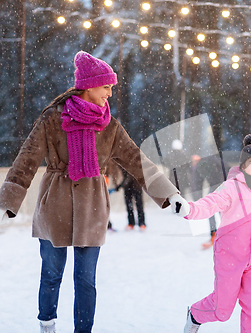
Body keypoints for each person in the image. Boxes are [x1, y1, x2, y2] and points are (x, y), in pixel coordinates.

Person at [0, 51, 188, 333]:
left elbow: (138, 161)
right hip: (55, 206)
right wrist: (7, 200)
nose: (110, 94)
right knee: (51, 274)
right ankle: (47, 325)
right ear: (89, 86)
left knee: (86, 279)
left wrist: (168, 194)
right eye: (106, 87)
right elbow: (26, 159)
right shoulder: (53, 119)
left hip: (92, 208)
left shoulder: (109, 125)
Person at [177, 134, 251, 333]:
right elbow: (211, 203)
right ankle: (195, 314)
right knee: (221, 311)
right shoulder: (232, 187)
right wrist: (189, 209)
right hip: (229, 259)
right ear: (243, 166)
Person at [116, 166, 146, 231]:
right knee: (129, 206)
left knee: (139, 205)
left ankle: (142, 223)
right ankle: (131, 223)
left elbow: (129, 177)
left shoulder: (133, 162)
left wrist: (121, 185)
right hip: (127, 188)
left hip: (136, 186)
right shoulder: (121, 163)